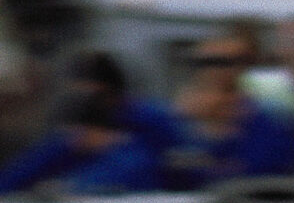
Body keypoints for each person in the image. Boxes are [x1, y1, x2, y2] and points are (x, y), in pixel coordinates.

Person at [0, 50, 179, 195]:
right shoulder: (78, 127)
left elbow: (161, 163)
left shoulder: (151, 119)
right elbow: (36, 163)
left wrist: (114, 144)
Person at [165, 35, 294, 189]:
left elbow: (262, 171)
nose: (214, 70)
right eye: (204, 63)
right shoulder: (173, 118)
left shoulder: (271, 114)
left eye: (224, 62)